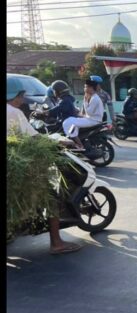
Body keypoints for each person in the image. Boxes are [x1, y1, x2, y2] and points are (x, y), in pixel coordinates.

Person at [6, 79, 83, 255]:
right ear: (15, 95)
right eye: (22, 95)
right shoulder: (14, 112)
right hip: (19, 166)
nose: (23, 99)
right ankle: (56, 243)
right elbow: (34, 137)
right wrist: (59, 140)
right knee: (52, 196)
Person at [61, 79, 104, 150]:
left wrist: (85, 101)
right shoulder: (91, 96)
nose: (85, 89)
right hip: (90, 118)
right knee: (70, 120)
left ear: (91, 88)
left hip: (93, 120)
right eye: (84, 87)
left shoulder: (95, 98)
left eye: (86, 87)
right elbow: (85, 112)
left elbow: (89, 112)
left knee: (68, 122)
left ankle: (79, 145)